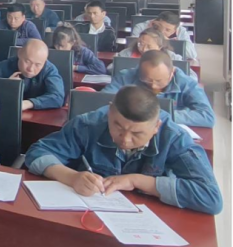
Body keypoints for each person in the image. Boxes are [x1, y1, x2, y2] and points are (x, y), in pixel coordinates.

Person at [25, 86, 221, 215]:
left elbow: (210, 197)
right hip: (88, 214)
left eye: (137, 133)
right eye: (118, 126)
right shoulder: (89, 124)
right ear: (110, 111)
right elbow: (37, 152)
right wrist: (72, 177)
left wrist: (136, 180)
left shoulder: (174, 138)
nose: (125, 139)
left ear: (156, 127)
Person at [101, 50, 214, 128]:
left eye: (159, 81)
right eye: (147, 80)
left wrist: (153, 115)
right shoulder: (126, 76)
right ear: (139, 71)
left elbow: (207, 116)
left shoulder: (187, 83)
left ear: (171, 74)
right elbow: (102, 102)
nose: (153, 86)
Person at [0, 39, 64, 110]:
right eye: (27, 61)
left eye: (38, 65)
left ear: (44, 61)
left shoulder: (49, 70)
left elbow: (58, 97)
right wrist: (5, 86)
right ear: (20, 53)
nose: (31, 69)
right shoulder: (4, 66)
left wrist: (29, 103)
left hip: (38, 118)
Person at [109, 28, 196, 80]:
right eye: (140, 44)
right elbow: (111, 68)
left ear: (160, 46)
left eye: (149, 46)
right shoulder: (127, 53)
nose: (144, 49)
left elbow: (192, 76)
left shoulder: (171, 56)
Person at [131, 11, 198, 60]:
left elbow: (192, 54)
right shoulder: (140, 27)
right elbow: (132, 47)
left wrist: (164, 40)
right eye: (159, 27)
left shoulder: (180, 31)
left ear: (174, 30)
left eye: (167, 30)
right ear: (155, 22)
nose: (162, 32)